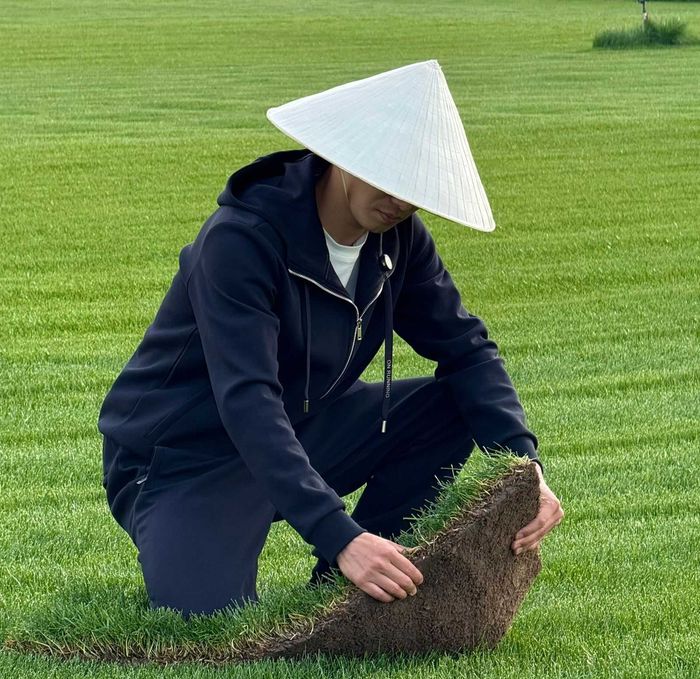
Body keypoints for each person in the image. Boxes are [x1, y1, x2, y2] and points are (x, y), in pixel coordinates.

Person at [98, 60, 563, 619]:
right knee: (211, 624)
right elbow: (246, 397)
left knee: (451, 406)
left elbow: (467, 350)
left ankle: (351, 594)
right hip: (186, 456)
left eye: (417, 189)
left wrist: (523, 468)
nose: (401, 201)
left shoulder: (399, 240)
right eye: (389, 178)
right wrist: (338, 534)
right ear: (345, 154)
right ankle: (348, 555)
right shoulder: (240, 240)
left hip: (301, 429)